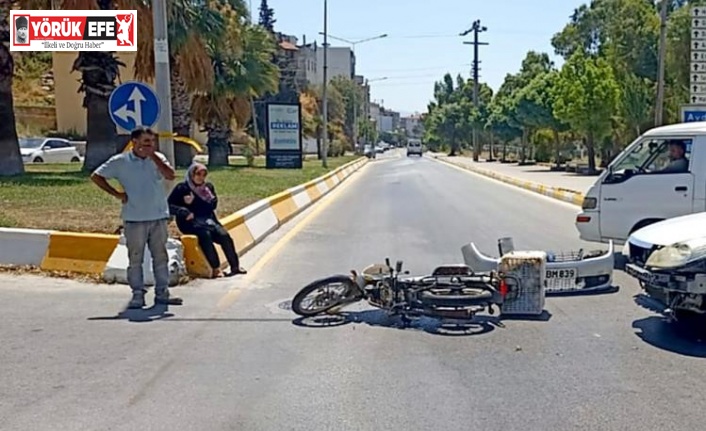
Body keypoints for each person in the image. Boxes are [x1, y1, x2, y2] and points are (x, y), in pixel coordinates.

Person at [91, 127, 183, 309]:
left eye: (152, 141)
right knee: (135, 259)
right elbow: (96, 176)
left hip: (158, 217)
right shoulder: (120, 161)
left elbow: (170, 175)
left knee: (160, 257)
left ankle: (162, 292)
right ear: (134, 142)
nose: (150, 145)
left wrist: (153, 156)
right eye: (145, 142)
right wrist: (117, 194)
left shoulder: (158, 158)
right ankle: (137, 294)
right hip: (134, 218)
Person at [168, 162, 246, 278]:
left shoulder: (208, 188)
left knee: (224, 235)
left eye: (204, 174)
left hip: (208, 220)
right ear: (191, 175)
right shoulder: (182, 188)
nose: (201, 177)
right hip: (189, 223)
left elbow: (212, 205)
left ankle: (235, 266)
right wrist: (184, 210)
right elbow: (169, 206)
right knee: (205, 236)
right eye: (198, 174)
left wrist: (200, 201)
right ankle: (215, 268)